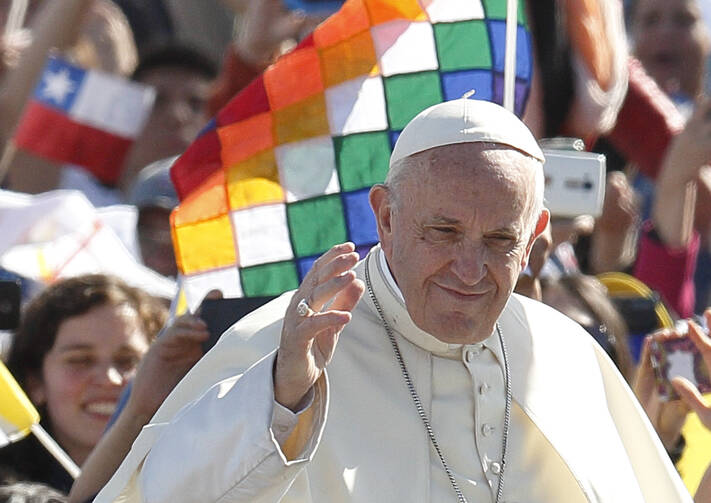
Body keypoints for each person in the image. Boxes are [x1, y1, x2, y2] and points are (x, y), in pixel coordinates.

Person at [95, 99, 691, 502]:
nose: (470, 269)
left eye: (500, 240)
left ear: (535, 236)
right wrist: (278, 402)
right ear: (385, 216)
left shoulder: (565, 355)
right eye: (444, 232)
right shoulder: (279, 349)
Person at [0, 274, 166, 494]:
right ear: (35, 383)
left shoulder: (201, 478)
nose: (110, 379)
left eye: (127, 361)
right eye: (80, 360)